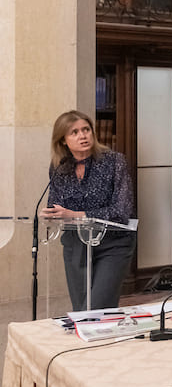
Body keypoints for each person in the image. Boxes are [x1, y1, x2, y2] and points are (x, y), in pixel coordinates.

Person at [41, 110, 136, 311]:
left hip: (113, 243)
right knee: (81, 310)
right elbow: (56, 204)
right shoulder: (59, 166)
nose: (83, 135)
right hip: (76, 244)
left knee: (99, 307)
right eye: (74, 132)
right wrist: (49, 214)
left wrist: (76, 215)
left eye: (86, 129)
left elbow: (122, 211)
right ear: (63, 140)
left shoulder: (114, 161)